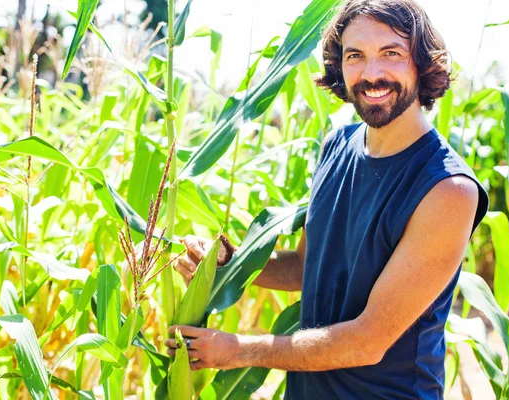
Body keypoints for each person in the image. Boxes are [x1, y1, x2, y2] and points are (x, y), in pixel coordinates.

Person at [165, 0, 490, 398]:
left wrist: (238, 350)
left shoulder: (446, 190)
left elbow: (366, 341)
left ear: (421, 63)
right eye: (356, 55)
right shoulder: (337, 144)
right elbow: (307, 267)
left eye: (391, 53)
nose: (371, 74)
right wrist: (229, 266)